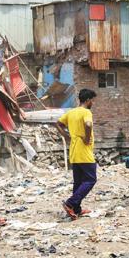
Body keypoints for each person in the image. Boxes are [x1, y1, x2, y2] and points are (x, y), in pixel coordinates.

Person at [57, 89, 97, 220]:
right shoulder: (86, 112)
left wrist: (67, 137)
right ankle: (70, 203)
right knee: (91, 179)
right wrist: (86, 138)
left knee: (78, 182)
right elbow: (88, 123)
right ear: (87, 100)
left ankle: (76, 209)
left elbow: (58, 124)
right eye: (92, 100)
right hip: (84, 151)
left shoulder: (71, 112)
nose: (93, 103)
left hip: (73, 151)